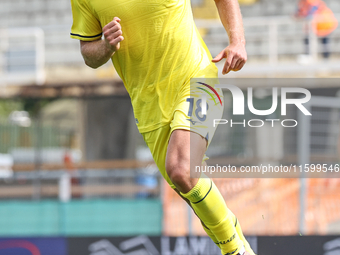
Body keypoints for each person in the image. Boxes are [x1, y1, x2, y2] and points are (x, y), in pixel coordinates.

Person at [70, 0, 254, 254]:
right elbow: (88, 54)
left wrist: (238, 41)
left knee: (181, 168)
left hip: (195, 79)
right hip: (148, 109)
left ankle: (235, 250)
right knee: (188, 185)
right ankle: (239, 243)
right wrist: (105, 45)